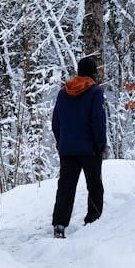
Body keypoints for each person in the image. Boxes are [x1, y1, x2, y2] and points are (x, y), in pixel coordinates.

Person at [51, 56, 108, 238]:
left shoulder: (63, 92)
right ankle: (93, 221)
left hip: (67, 149)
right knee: (95, 186)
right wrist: (101, 145)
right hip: (90, 149)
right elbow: (98, 121)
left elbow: (56, 122)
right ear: (93, 73)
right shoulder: (95, 92)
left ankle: (59, 225)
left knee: (66, 187)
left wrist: (62, 141)